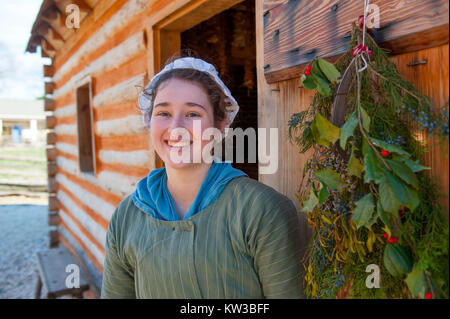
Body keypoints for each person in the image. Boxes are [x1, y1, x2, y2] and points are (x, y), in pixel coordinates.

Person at [101, 54, 304, 298]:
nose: (175, 127)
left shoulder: (261, 210)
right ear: (149, 121)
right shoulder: (126, 218)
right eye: (163, 113)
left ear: (219, 126)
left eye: (193, 114)